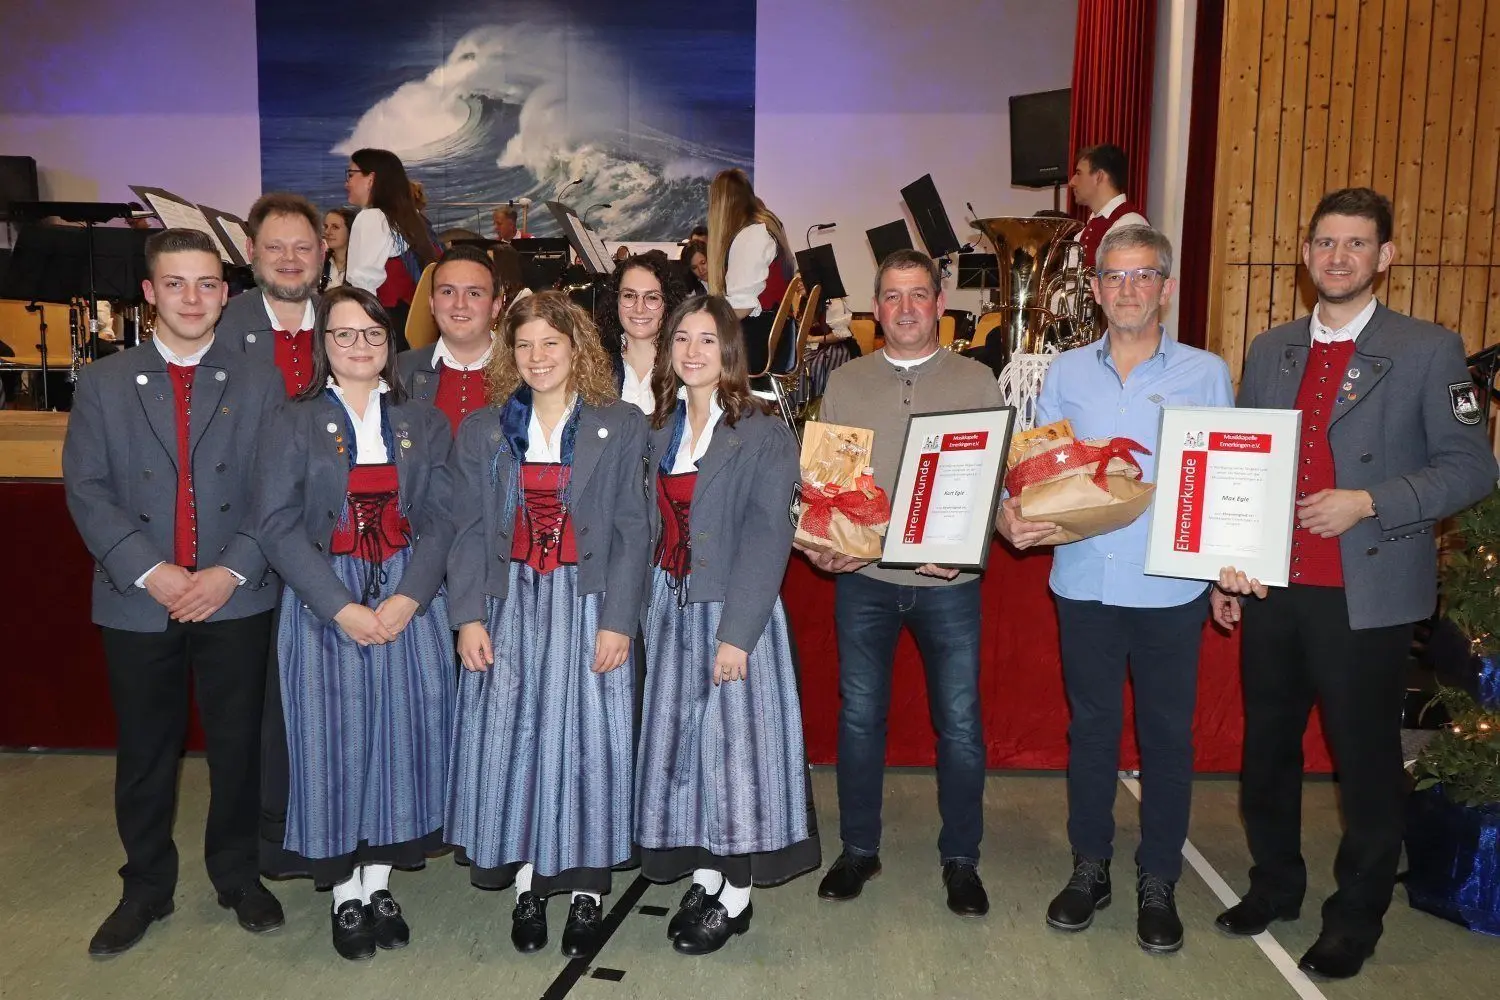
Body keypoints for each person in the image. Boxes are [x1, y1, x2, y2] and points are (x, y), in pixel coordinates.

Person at [1210, 188, 1496, 980]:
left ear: (1385, 257)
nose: (1338, 257)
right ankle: (1275, 885)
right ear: (1305, 254)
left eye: (1356, 244)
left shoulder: (1430, 348)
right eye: (1325, 243)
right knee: (1265, 754)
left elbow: (1474, 467)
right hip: (1273, 588)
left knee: (1363, 764)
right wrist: (1226, 564)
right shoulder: (1270, 349)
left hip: (1364, 594)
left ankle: (1356, 916)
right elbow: (1241, 465)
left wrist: (1369, 501)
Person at [999, 226, 1234, 953]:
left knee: (1166, 738)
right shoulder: (1065, 372)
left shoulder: (1206, 372)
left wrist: (1228, 567)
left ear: (1165, 287)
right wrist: (1016, 512)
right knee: (1091, 733)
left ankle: (1158, 877)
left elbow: (1225, 479)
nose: (1128, 289)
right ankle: (1090, 866)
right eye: (1115, 277)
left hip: (1170, 588)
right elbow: (1042, 468)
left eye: (1144, 276)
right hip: (1085, 583)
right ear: (1095, 289)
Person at [62, 228, 286, 957]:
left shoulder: (259, 381)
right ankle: (145, 887)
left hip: (235, 597)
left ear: (226, 293)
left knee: (238, 748)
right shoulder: (102, 381)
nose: (194, 298)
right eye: (177, 284)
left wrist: (228, 571)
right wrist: (153, 571)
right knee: (147, 753)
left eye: (208, 284)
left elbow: (275, 492)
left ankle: (238, 875)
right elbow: (88, 491)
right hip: (139, 600)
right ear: (150, 293)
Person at [446, 291, 650, 959]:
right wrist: (468, 615)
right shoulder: (484, 429)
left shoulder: (619, 424)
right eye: (525, 345)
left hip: (587, 601)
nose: (537, 358)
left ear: (577, 350)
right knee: (519, 736)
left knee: (589, 740)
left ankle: (587, 890)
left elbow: (631, 530)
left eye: (550, 345)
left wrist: (619, 620)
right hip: (511, 603)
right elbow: (470, 530)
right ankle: (529, 883)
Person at [255, 285, 455, 961]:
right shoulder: (293, 420)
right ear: (324, 346)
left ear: (389, 343)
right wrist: (338, 605)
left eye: (372, 334)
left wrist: (410, 598)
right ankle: (343, 892)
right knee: (334, 745)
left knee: (399, 739)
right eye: (344, 335)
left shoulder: (423, 421)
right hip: (326, 598)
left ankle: (378, 880)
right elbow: (275, 524)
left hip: (405, 598)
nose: (360, 346)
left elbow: (444, 518)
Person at [802, 249, 1003, 916]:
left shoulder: (977, 381)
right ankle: (859, 849)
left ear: (940, 304)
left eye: (919, 294)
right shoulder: (846, 383)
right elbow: (826, 489)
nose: (907, 308)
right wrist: (824, 549)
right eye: (892, 296)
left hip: (949, 585)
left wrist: (967, 550)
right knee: (859, 719)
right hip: (864, 582)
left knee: (962, 725)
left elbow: (991, 487)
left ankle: (962, 859)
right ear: (876, 307)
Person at [636, 294, 820, 955]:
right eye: (681, 338)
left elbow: (769, 536)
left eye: (707, 340)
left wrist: (737, 635)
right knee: (687, 749)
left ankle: (736, 897)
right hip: (672, 606)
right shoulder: (658, 429)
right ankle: (709, 872)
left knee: (738, 756)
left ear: (730, 352)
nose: (691, 351)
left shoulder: (763, 431)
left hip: (733, 611)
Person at [217, 193, 325, 397]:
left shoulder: (343, 324)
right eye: (275, 247)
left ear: (321, 253)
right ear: (251, 250)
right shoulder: (219, 327)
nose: (290, 258)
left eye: (302, 248)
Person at [398, 244, 503, 434]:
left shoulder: (524, 371)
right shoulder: (399, 372)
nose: (460, 304)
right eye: (447, 292)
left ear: (495, 306)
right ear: (432, 303)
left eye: (474, 293)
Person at [344, 148, 441, 352]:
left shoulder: (371, 218)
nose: (347, 183)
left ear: (371, 179)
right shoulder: (413, 219)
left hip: (384, 327)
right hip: (416, 328)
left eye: (351, 175)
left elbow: (362, 285)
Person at [705, 168, 798, 381]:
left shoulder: (751, 235)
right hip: (778, 341)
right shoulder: (767, 226)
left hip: (756, 346)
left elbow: (741, 306)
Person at [595, 250, 688, 415]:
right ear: (615, 301)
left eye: (652, 297)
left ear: (669, 303)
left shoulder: (686, 368)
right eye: (629, 295)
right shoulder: (594, 368)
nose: (639, 309)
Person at [1068, 143, 1149, 270]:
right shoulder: (1085, 231)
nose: (1071, 182)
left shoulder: (1130, 224)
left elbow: (1119, 284)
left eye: (1079, 173)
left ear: (1099, 176)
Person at [320, 207, 357, 292]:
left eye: (335, 227)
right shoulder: (318, 264)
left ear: (350, 230)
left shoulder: (364, 266)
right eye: (326, 227)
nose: (327, 232)